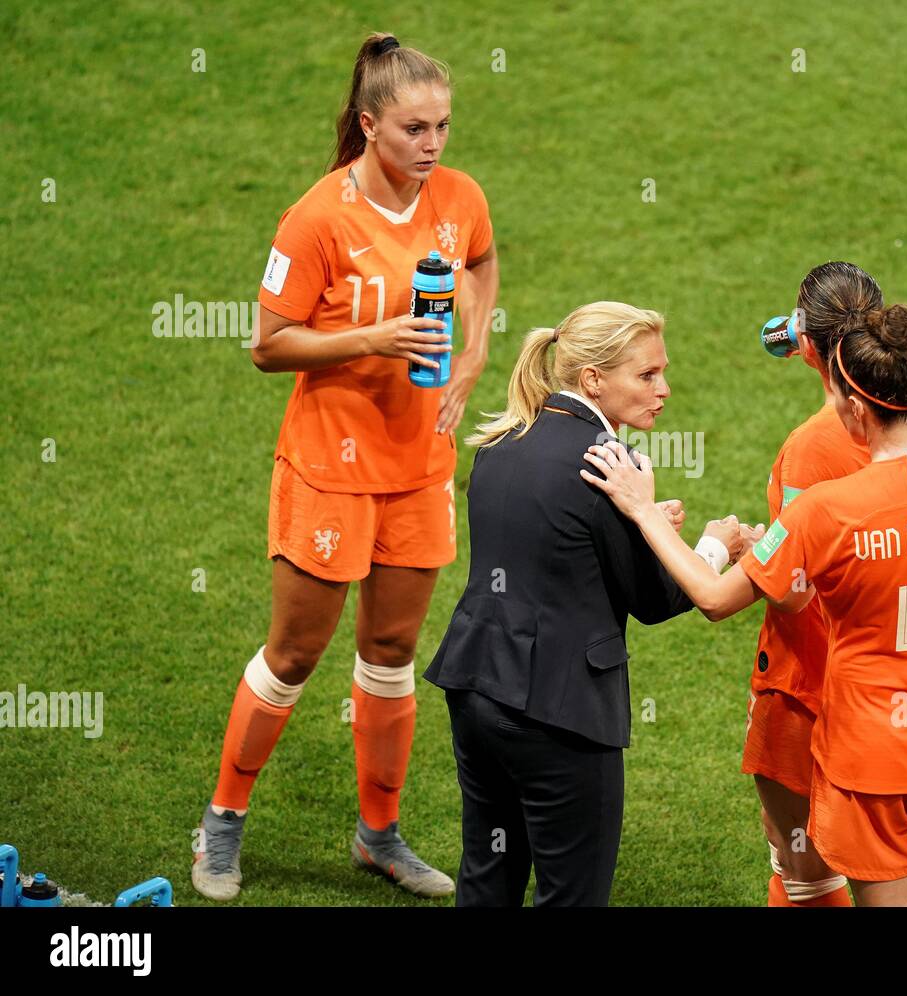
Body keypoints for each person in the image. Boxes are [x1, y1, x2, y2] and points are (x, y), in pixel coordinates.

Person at [581, 303, 907, 907]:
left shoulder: (823, 511)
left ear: (854, 408)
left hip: (872, 752)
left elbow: (716, 598)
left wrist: (644, 512)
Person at [191, 31, 499, 901]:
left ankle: (379, 835)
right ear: (369, 125)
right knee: (294, 653)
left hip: (418, 464)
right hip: (330, 466)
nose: (432, 144)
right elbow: (266, 344)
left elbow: (480, 259)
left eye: (441, 125)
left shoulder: (458, 198)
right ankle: (222, 821)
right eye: (413, 128)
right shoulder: (316, 217)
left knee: (393, 649)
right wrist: (373, 338)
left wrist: (472, 356)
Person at [425, 301, 747, 906]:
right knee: (572, 896)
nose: (664, 389)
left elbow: (550, 555)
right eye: (647, 375)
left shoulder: (500, 444)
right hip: (559, 712)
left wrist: (646, 525)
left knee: (487, 878)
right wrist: (711, 545)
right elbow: (655, 598)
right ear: (594, 380)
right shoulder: (610, 466)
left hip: (475, 689)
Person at [743, 262, 907, 907]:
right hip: (895, 677)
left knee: (804, 867)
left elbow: (794, 587)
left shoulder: (809, 448)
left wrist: (750, 547)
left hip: (809, 678)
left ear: (806, 340)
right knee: (883, 860)